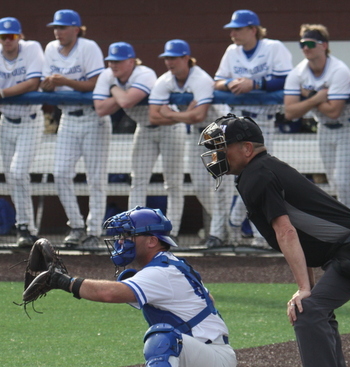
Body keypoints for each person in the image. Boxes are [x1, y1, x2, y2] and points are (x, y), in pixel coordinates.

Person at [198, 114, 350, 367]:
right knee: (317, 312)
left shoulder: (257, 175)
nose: (218, 155)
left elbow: (286, 232)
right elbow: (301, 235)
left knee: (308, 311)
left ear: (247, 148)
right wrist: (308, 287)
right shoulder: (259, 170)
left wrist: (304, 289)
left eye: (224, 147)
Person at [44, 206, 258, 367]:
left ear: (152, 241)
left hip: (210, 360)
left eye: (128, 235)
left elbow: (108, 293)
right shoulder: (167, 265)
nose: (121, 241)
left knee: (162, 336)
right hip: (195, 362)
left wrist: (60, 281)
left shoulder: (161, 272)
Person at [215, 10, 293, 249]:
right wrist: (229, 83)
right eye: (232, 29)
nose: (233, 33)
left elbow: (287, 78)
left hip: (263, 122)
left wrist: (256, 83)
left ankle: (243, 225)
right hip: (236, 122)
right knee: (238, 176)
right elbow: (217, 81)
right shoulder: (232, 51)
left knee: (256, 176)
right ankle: (236, 228)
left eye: (238, 29)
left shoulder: (273, 47)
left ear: (253, 29)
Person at [0, 17, 45, 248]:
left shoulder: (32, 48)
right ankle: (26, 228)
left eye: (11, 36)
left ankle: (25, 226)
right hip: (6, 121)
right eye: (2, 36)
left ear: (19, 36)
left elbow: (33, 83)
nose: (7, 40)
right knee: (12, 175)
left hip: (30, 119)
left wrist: (0, 93)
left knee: (17, 171)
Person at [41, 9, 110, 250]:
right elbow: (44, 83)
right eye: (56, 27)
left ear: (76, 29)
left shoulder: (88, 47)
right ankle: (77, 224)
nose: (58, 32)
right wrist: (48, 84)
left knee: (96, 178)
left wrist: (65, 81)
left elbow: (96, 83)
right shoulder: (50, 49)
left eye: (63, 27)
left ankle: (93, 231)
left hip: (93, 118)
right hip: (67, 118)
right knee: (60, 173)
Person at [148, 39, 224, 248]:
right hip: (197, 136)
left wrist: (171, 113)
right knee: (200, 187)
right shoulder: (165, 80)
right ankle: (224, 225)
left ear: (185, 58)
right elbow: (154, 116)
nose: (169, 62)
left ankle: (221, 232)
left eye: (173, 58)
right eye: (167, 58)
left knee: (221, 187)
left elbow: (199, 115)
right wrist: (185, 115)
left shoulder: (200, 78)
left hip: (220, 135)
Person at [283, 24, 350, 212]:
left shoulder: (339, 70)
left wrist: (308, 97)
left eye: (310, 43)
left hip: (347, 128)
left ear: (323, 45)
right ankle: (348, 228)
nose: (306, 48)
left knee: (344, 182)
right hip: (324, 129)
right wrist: (316, 98)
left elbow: (335, 111)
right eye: (302, 44)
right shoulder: (298, 72)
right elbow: (290, 112)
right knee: (334, 182)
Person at [92, 43, 169, 225]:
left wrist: (113, 89)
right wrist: (121, 94)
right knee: (138, 180)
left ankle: (173, 230)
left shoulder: (144, 73)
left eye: (119, 61)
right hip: (144, 128)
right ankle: (135, 227)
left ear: (131, 62)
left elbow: (126, 102)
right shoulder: (108, 75)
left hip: (169, 127)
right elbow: (100, 109)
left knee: (172, 184)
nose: (113, 65)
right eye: (111, 61)